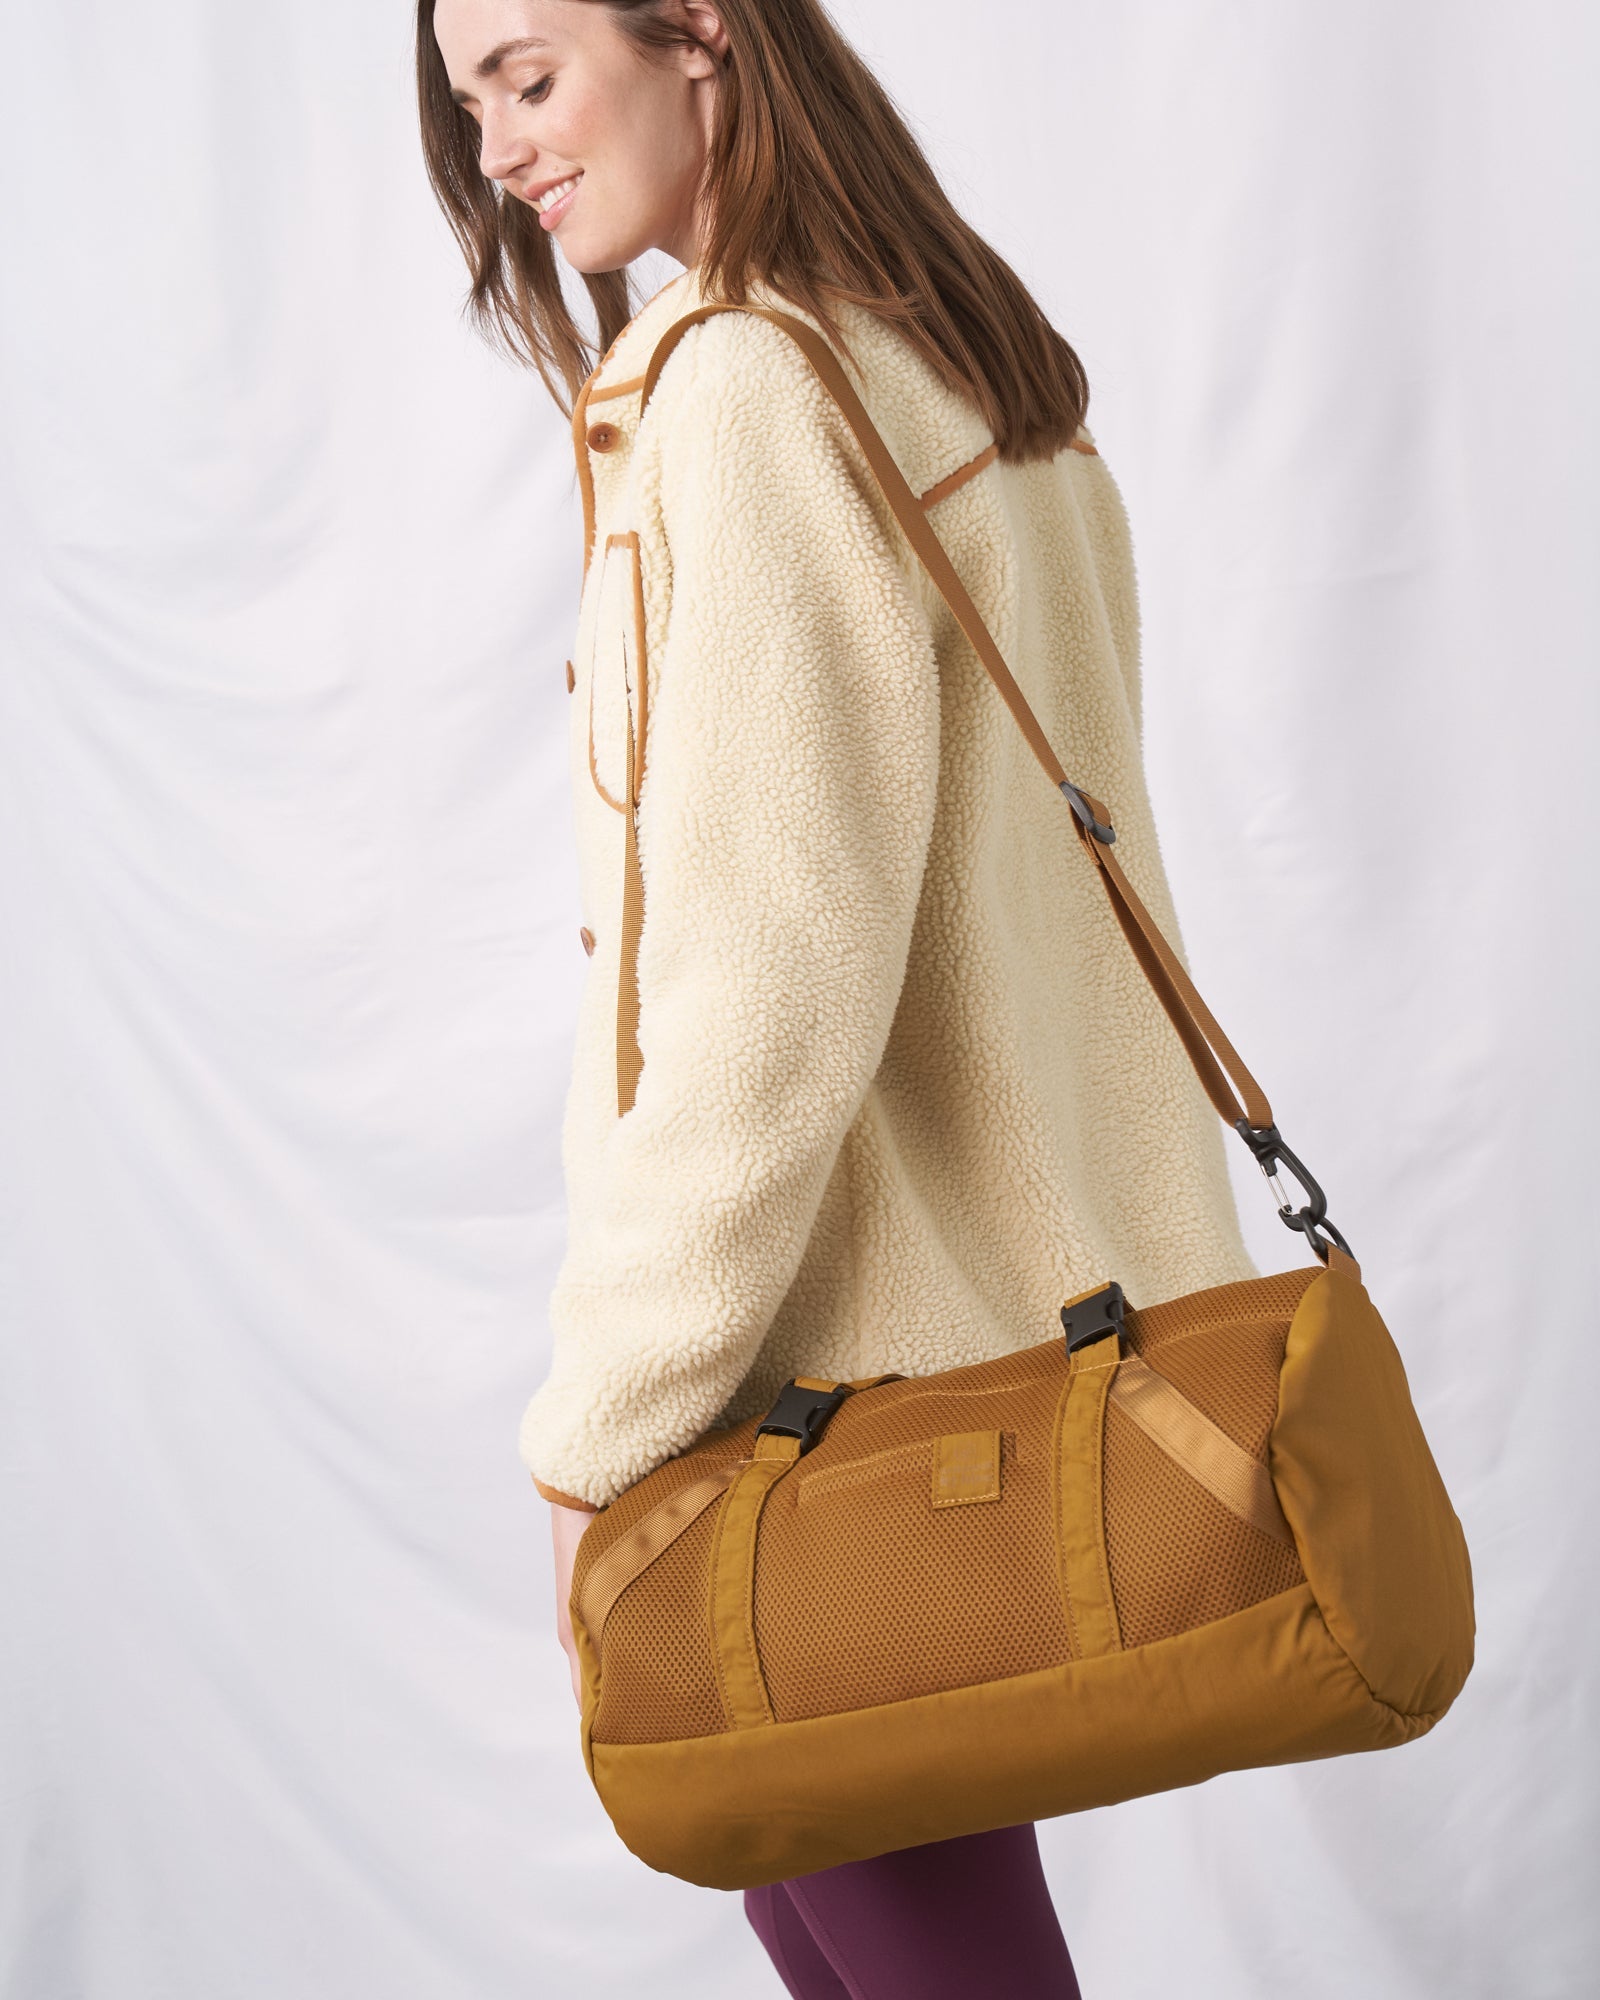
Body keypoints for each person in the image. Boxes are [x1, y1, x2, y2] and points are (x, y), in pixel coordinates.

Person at [419, 2, 1258, 1992]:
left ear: (698, 32)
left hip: (826, 1395)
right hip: (964, 1341)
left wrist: (601, 1429)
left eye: (529, 76)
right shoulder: (951, 353)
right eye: (467, 105)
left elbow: (767, 987)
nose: (499, 152)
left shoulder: (745, 386)